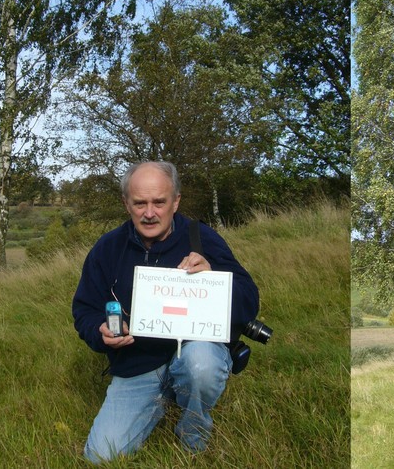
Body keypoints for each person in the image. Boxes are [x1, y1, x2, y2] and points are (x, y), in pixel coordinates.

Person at [72, 161, 259, 463]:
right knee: (102, 456)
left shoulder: (202, 238)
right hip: (137, 364)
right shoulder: (107, 248)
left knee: (201, 365)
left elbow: (249, 299)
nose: (149, 213)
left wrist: (212, 278)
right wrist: (100, 332)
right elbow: (85, 310)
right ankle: (162, 397)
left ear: (175, 202)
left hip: (195, 351)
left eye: (159, 202)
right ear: (126, 204)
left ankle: (192, 432)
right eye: (140, 203)